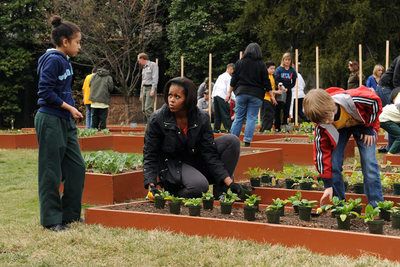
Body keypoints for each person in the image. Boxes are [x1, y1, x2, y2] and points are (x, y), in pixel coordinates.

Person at [143, 77, 243, 199]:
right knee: (199, 186)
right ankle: (173, 193)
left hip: (194, 160)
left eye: (177, 97)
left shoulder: (202, 118)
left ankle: (221, 191)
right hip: (172, 165)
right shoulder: (157, 119)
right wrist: (151, 186)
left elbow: (209, 152)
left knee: (231, 141)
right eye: (170, 95)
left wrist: (230, 183)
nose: (171, 100)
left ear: (188, 99)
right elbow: (150, 153)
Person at [35, 15, 85, 231]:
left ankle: (70, 215)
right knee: (51, 170)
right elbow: (45, 92)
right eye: (77, 42)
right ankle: (51, 220)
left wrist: (70, 109)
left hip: (64, 120)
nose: (79, 47)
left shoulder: (65, 60)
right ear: (65, 42)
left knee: (76, 167)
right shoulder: (53, 59)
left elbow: (61, 90)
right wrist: (69, 107)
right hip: (50, 119)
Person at [303, 86, 383, 207]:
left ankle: (377, 205)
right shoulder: (322, 124)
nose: (328, 122)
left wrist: (370, 128)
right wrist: (328, 185)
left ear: (331, 104)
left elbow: (375, 102)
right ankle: (340, 206)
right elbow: (321, 153)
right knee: (334, 163)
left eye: (328, 117)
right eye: (323, 121)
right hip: (340, 129)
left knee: (369, 161)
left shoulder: (355, 99)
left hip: (363, 124)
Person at [226, 43, 271, 147]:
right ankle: (247, 142)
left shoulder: (240, 63)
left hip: (241, 93)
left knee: (239, 117)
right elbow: (266, 82)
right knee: (251, 118)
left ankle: (232, 141)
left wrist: (229, 93)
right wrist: (272, 96)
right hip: (256, 95)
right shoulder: (261, 65)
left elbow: (234, 79)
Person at [274, 52, 297, 130]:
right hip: (280, 90)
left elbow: (293, 82)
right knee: (278, 108)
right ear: (283, 60)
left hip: (288, 91)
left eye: (289, 60)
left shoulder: (292, 70)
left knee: (287, 108)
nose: (287, 61)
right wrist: (281, 86)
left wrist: (288, 88)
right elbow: (276, 80)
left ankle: (285, 125)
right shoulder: (279, 69)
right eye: (286, 60)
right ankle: (277, 126)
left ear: (291, 61)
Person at [89, 65, 113, 130]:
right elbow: (111, 88)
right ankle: (102, 133)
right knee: (103, 119)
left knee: (94, 120)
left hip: (94, 101)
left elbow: (89, 84)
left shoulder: (94, 76)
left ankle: (94, 133)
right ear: (108, 70)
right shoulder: (108, 77)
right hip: (104, 101)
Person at [212, 63, 234, 133]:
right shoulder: (229, 77)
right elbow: (229, 90)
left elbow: (215, 87)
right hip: (222, 96)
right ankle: (229, 129)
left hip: (216, 95)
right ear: (230, 69)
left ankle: (216, 129)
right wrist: (236, 99)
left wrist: (212, 97)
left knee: (217, 114)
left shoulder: (220, 76)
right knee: (226, 113)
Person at [138, 52, 159, 123]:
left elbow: (155, 78)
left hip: (150, 88)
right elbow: (143, 81)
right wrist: (141, 93)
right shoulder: (144, 68)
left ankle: (154, 124)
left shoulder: (153, 65)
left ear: (142, 59)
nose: (139, 62)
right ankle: (149, 124)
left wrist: (153, 89)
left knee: (148, 109)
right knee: (143, 109)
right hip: (144, 88)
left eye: (139, 60)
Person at [379, 88, 400, 154]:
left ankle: (393, 151)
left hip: (388, 116)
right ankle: (390, 154)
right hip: (385, 119)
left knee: (396, 134)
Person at [260, 61, 280, 132]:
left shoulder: (272, 76)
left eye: (274, 69)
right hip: (266, 98)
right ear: (267, 69)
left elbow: (274, 86)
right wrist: (276, 92)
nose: (273, 70)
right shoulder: (265, 77)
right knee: (267, 116)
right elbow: (266, 89)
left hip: (271, 98)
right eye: (271, 69)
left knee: (270, 115)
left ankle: (264, 130)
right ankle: (265, 130)